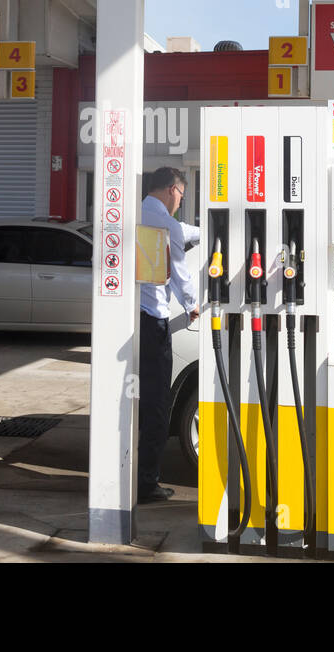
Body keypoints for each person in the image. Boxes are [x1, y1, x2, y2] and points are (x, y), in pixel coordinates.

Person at [137, 166, 199, 504]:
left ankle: (131, 475)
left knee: (142, 403)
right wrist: (193, 305)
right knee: (159, 405)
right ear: (173, 189)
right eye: (181, 195)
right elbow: (180, 275)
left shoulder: (137, 213)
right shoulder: (166, 223)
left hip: (132, 321)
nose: (180, 201)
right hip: (155, 322)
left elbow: (184, 231)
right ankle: (147, 482)